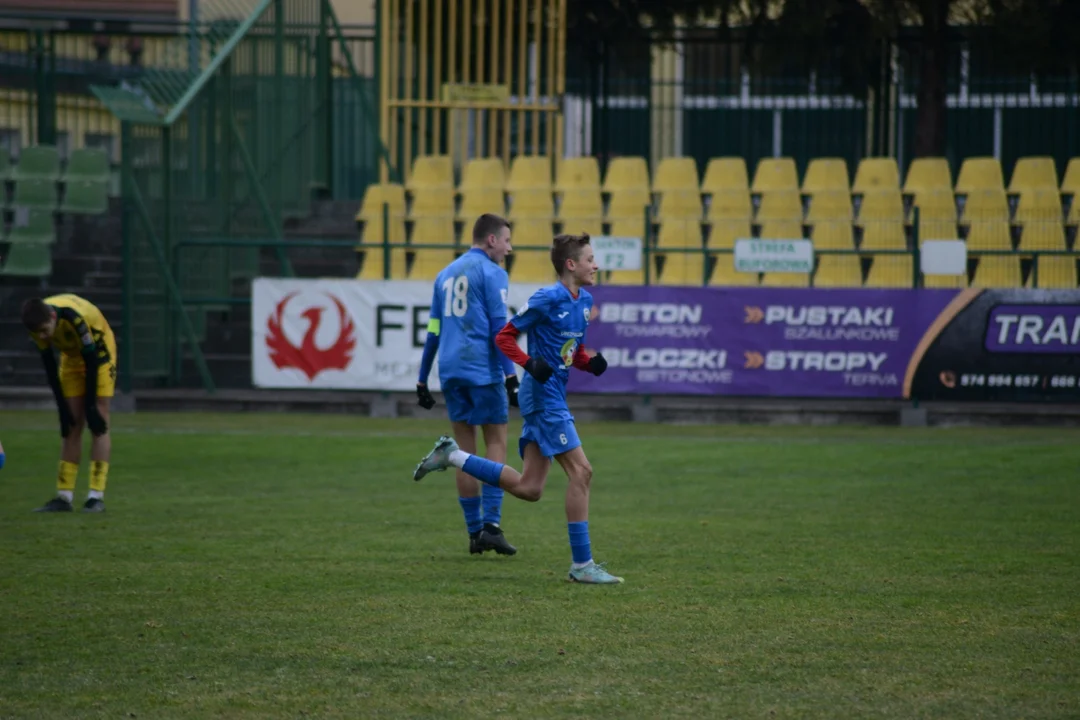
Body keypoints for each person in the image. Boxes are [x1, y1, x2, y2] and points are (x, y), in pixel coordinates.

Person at [413, 233, 622, 584]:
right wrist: (528, 363)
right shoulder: (546, 298)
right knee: (582, 472)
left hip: (553, 394)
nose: (595, 265)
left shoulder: (584, 300)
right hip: (543, 397)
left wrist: (589, 362)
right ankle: (582, 566)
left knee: (530, 488)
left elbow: (572, 351)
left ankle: (453, 456)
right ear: (571, 264)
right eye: (590, 259)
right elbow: (504, 337)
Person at [415, 213, 519, 556]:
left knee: (461, 452)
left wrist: (422, 377)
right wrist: (510, 376)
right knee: (497, 443)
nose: (509, 247)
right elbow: (498, 330)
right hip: (481, 370)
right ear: (491, 240)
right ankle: (491, 526)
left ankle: (474, 535)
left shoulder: (444, 274)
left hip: (450, 371)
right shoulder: (492, 273)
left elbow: (432, 331)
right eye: (506, 240)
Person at [21, 294, 116, 513]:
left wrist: (91, 406)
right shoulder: (36, 324)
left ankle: (95, 496)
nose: (44, 337)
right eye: (39, 334)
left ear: (53, 316)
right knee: (71, 425)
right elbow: (49, 368)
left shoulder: (74, 318)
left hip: (99, 355)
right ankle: (64, 496)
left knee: (99, 421)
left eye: (46, 330)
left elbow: (91, 361)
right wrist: (62, 408)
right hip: (71, 357)